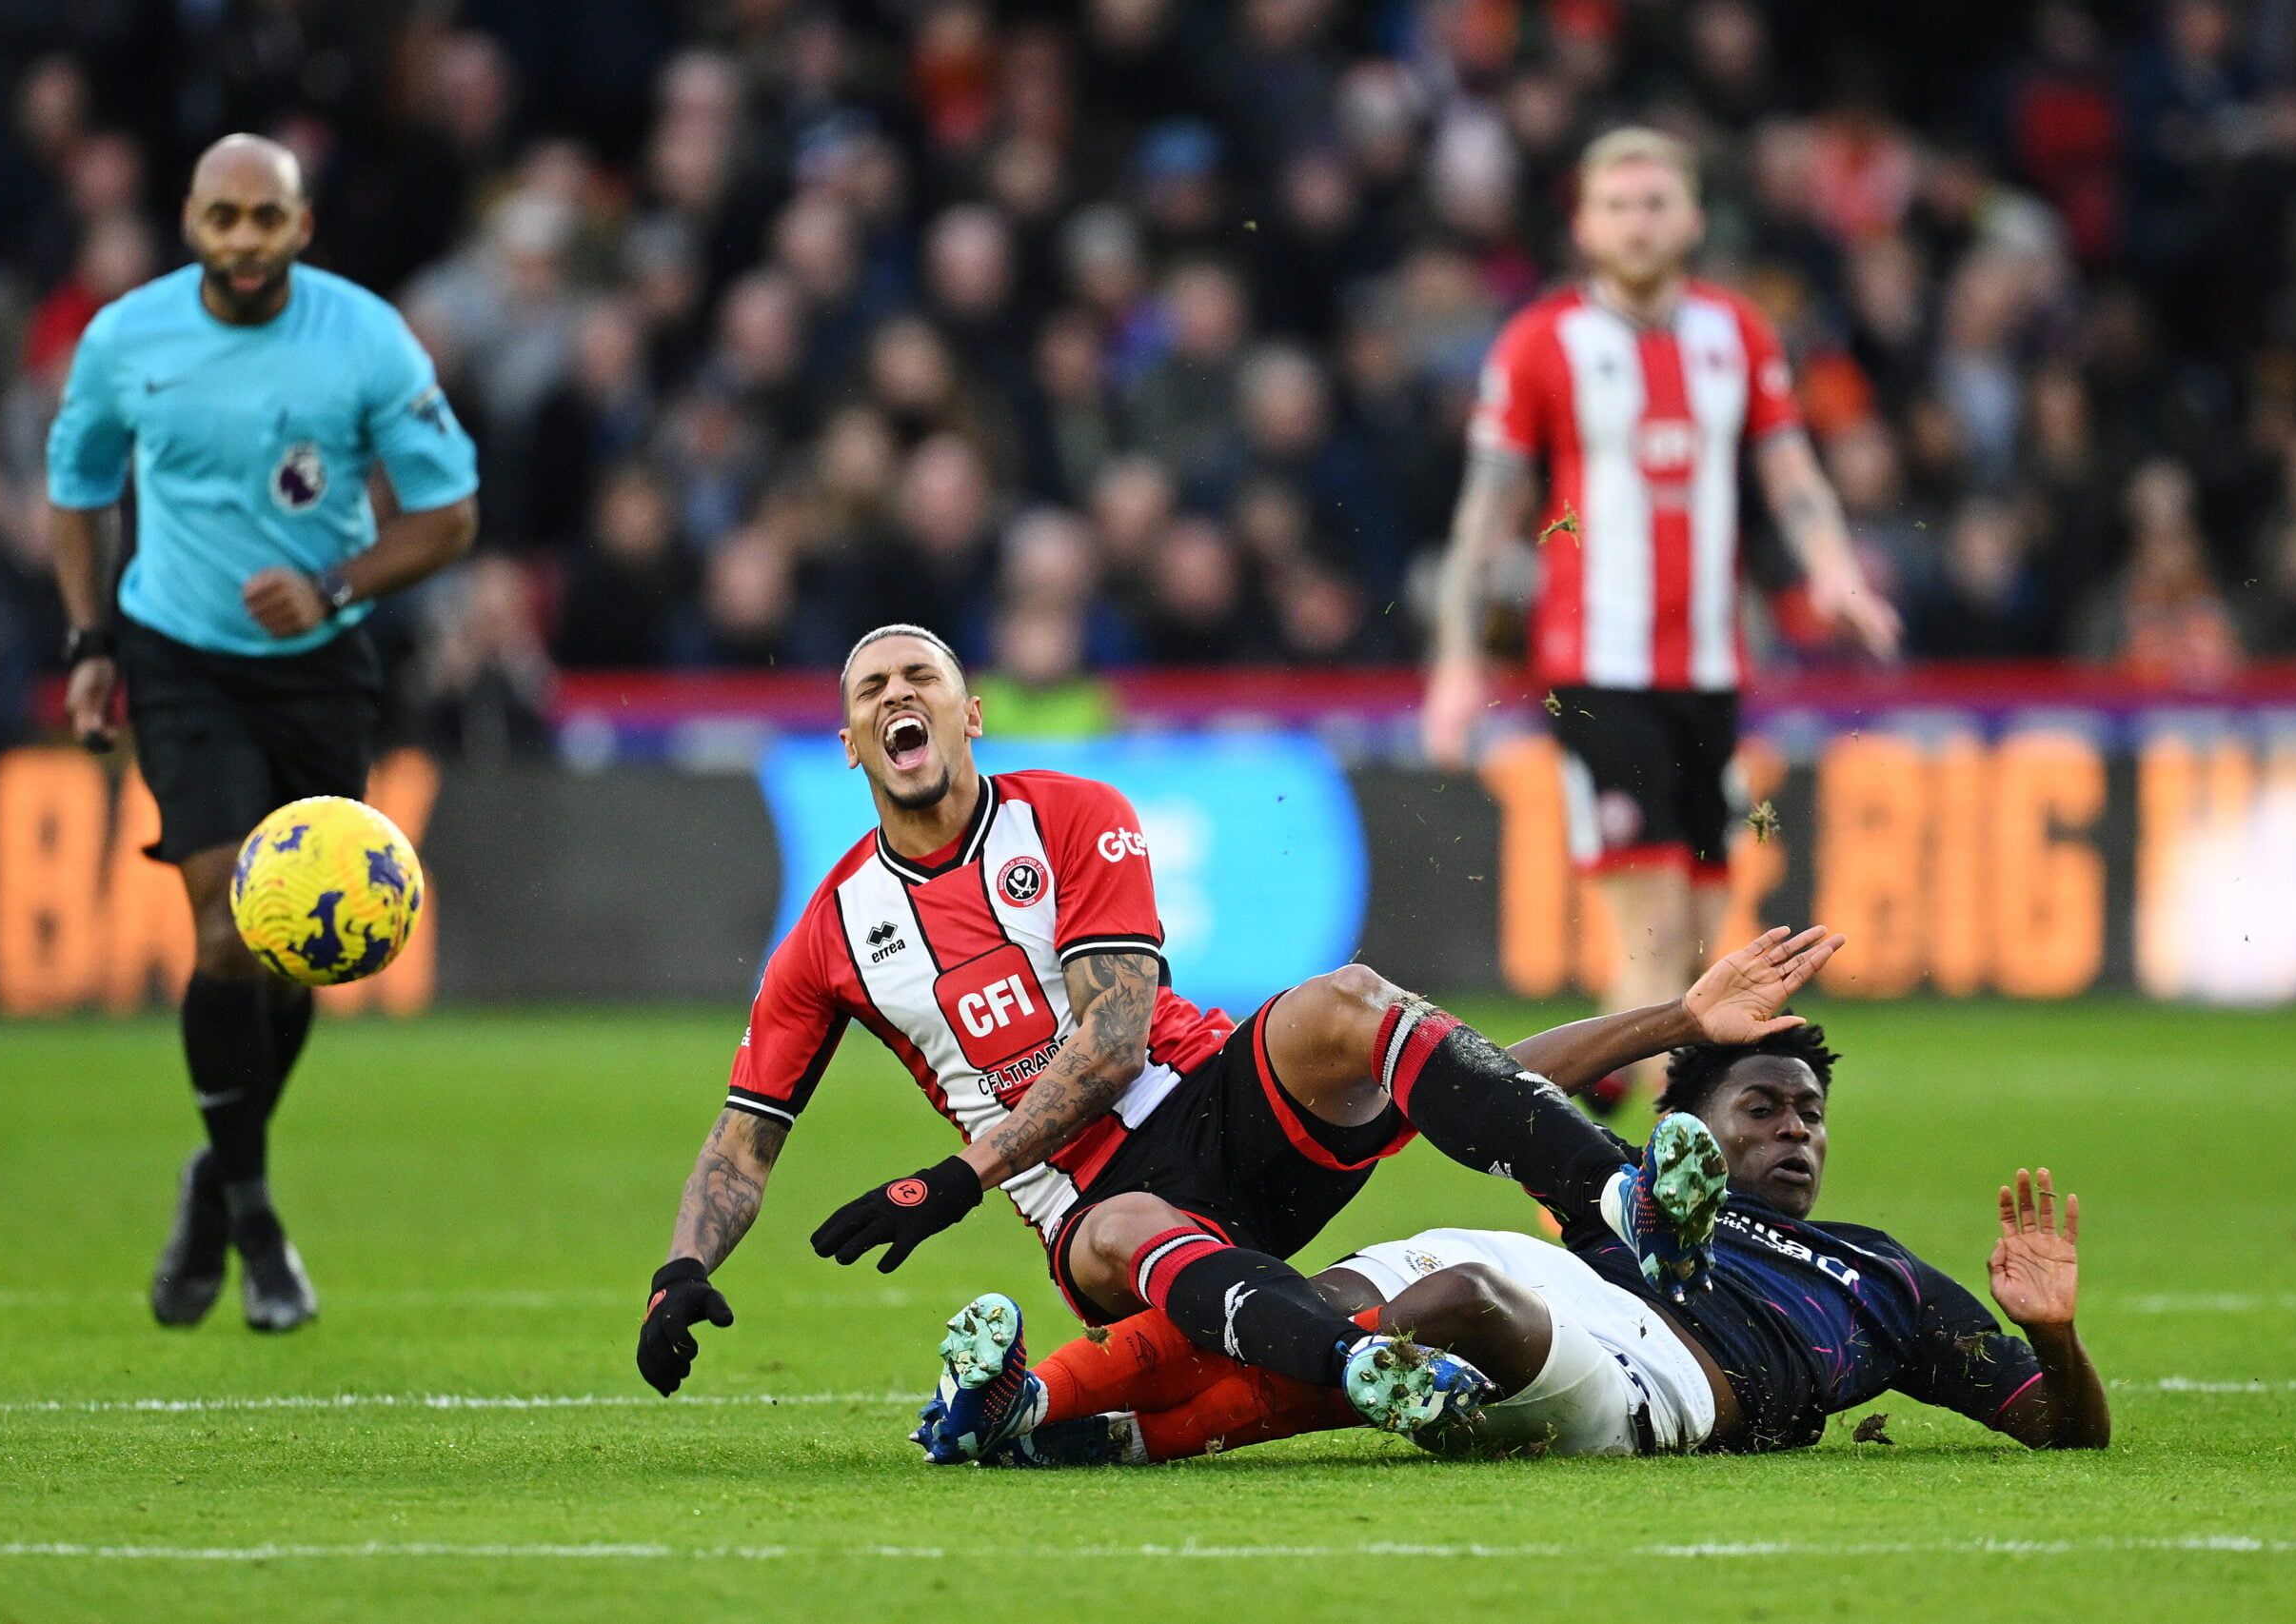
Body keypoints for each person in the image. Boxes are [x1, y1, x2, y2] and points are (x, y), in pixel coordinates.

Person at [636, 624, 1841, 1422]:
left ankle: (1615, 1195)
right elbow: (747, 1133)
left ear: (970, 713)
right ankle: (1359, 1365)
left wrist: (954, 1177)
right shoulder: (831, 933)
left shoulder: (1073, 816)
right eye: (871, 691)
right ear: (850, 745)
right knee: (1115, 1231)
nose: (898, 697)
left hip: (1221, 1104)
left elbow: (1111, 1047)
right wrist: (680, 1268)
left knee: (1346, 1002)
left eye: (921, 680)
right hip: (1099, 1199)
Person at [929, 1021, 2109, 1466]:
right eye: (1764, 1108)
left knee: (1454, 1297)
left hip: (1668, 1382)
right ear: (1683, 1132)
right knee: (1310, 1297)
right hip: (1565, 1272)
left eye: (1810, 1114)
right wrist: (1679, 1019)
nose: (1796, 1131)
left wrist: (2053, 1338)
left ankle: (1099, 1420)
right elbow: (1483, 1084)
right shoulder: (1627, 1180)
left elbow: (2062, 1428)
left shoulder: (1881, 1271)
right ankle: (1034, 1408)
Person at [45, 136, 480, 1332]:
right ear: (190, 217)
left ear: (300, 224)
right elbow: (76, 494)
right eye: (221, 217)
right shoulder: (127, 340)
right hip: (177, 654)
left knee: (300, 952)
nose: (242, 240)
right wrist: (90, 648)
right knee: (222, 923)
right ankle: (251, 1214)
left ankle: (212, 1166)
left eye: (265, 219)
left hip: (319, 663)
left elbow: (450, 514)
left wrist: (337, 584)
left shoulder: (366, 339)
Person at [1421, 127, 1900, 1113]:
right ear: (1583, 224)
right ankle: (1584, 1175)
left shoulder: (1739, 333)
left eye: (1655, 202)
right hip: (1596, 666)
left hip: (1712, 669)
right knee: (1648, 921)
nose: (1638, 221)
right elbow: (1485, 512)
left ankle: (1610, 1100)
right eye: (1617, 204)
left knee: (1693, 934)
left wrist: (1834, 570)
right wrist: (1457, 661)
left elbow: (1787, 468)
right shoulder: (1542, 342)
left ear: (1690, 217)